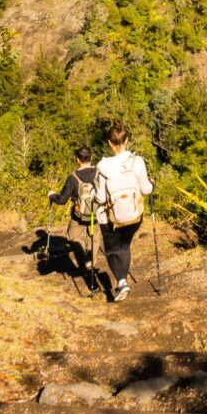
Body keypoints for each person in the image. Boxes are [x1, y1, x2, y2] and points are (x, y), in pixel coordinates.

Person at [94, 120, 154, 302]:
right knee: (125, 247)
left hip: (110, 219)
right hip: (134, 216)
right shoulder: (138, 162)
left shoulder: (102, 167)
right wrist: (151, 183)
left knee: (112, 251)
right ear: (126, 140)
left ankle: (122, 282)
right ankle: (123, 280)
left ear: (109, 143)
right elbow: (146, 190)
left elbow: (101, 199)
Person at [48, 146, 101, 279]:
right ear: (91, 157)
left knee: (72, 236)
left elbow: (61, 200)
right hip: (96, 212)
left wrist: (52, 195)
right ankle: (92, 265)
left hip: (79, 215)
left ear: (78, 160)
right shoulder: (99, 174)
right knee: (94, 238)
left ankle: (85, 262)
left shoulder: (73, 177)